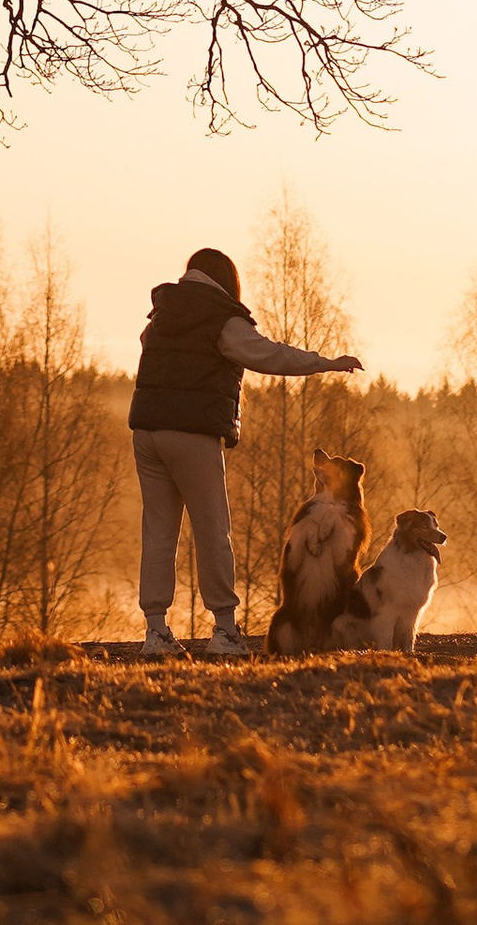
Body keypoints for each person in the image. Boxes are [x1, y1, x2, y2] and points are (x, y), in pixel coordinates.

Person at [127, 245, 363, 658]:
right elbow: (268, 354)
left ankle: (156, 632)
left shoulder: (162, 314)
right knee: (212, 530)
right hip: (192, 433)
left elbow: (149, 349)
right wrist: (325, 363)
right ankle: (224, 630)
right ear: (227, 281)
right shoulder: (219, 316)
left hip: (146, 430)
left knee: (158, 532)